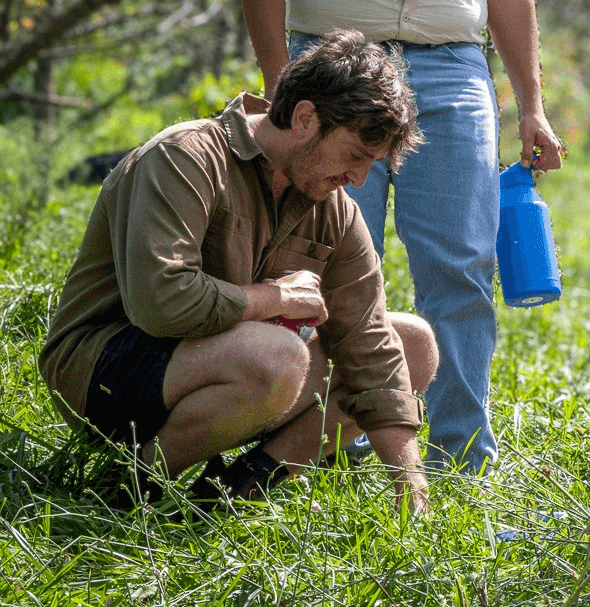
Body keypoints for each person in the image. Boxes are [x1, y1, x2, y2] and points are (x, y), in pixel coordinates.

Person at [234, 0, 566, 473]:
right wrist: (284, 86)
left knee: (460, 265)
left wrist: (533, 107)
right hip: (338, 63)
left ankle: (458, 454)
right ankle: (327, 443)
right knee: (330, 263)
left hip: (452, 70)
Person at [38, 30, 437, 513]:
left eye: (370, 164)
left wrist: (410, 482)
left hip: (242, 370)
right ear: (306, 117)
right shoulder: (184, 157)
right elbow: (161, 302)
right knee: (277, 356)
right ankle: (133, 491)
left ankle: (238, 488)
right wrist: (275, 298)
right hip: (105, 371)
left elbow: (369, 342)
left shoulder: (334, 208)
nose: (358, 179)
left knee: (411, 343)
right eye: (355, 155)